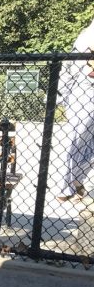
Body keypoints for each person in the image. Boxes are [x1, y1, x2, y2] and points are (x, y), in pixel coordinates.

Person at [56, 17, 94, 201]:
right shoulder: (86, 37)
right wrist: (61, 95)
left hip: (83, 90)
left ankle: (76, 179)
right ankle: (68, 184)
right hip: (85, 90)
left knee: (85, 143)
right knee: (77, 139)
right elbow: (70, 68)